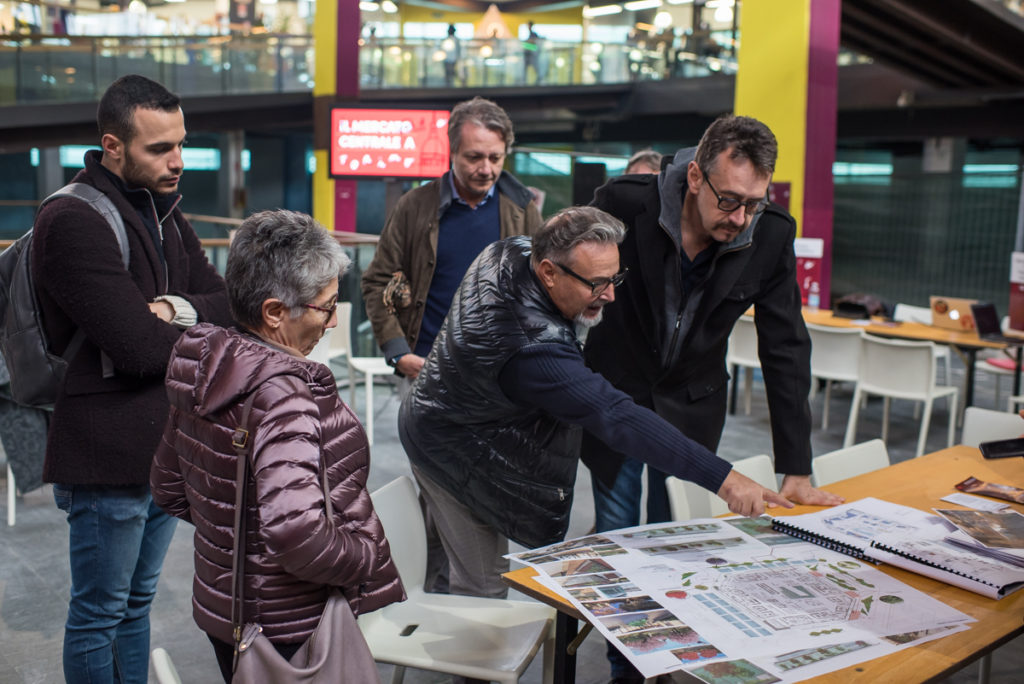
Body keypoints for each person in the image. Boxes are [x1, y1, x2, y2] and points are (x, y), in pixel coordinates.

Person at [399, 206, 793, 600]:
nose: (611, 294)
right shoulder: (532, 350)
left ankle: (429, 615)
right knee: (482, 584)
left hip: (440, 410)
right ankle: (463, 650)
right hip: (451, 448)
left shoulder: (512, 252)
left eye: (615, 277)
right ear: (549, 272)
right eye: (597, 283)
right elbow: (614, 415)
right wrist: (724, 478)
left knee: (439, 552)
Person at [583, 115, 843, 682]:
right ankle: (627, 671)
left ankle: (668, 660)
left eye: (753, 202)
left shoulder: (770, 233)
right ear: (695, 176)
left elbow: (785, 348)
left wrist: (795, 467)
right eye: (729, 200)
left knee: (674, 542)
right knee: (621, 540)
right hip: (618, 400)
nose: (740, 218)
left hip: (692, 406)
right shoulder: (625, 203)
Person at [31, 74, 234, 683]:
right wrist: (190, 321)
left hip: (165, 444)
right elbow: (138, 349)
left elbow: (227, 303)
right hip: (107, 452)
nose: (177, 162)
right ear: (112, 146)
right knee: (99, 613)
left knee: (137, 607)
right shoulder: (72, 219)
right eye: (159, 149)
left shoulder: (163, 208)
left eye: (181, 144)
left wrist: (174, 308)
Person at [150, 210, 404, 682]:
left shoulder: (205, 366)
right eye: (326, 307)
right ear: (273, 312)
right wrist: (367, 553)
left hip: (224, 608)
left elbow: (168, 487)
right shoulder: (284, 394)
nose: (331, 323)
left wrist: (236, 532)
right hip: (288, 621)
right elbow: (296, 535)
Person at [361, 95, 542, 592]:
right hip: (427, 371)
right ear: (451, 153)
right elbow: (379, 281)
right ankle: (457, 596)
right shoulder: (416, 207)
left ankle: (442, 595)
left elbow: (539, 289)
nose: (485, 168)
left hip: (496, 381)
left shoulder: (521, 207)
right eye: (474, 157)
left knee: (471, 492)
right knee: (441, 486)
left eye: (495, 158)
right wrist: (399, 351)